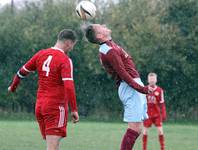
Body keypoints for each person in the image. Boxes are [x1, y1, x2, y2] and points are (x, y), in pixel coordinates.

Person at [84, 24, 154, 150]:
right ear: (100, 35)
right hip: (130, 87)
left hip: (132, 85)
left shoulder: (110, 45)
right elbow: (123, 73)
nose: (104, 25)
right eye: (100, 26)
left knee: (137, 128)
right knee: (134, 128)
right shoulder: (108, 50)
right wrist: (141, 89)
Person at [8, 29, 79, 150]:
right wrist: (74, 109)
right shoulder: (65, 60)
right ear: (68, 42)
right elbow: (69, 86)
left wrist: (13, 87)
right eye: (73, 45)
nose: (72, 48)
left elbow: (21, 72)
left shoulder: (41, 54)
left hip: (40, 106)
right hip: (55, 107)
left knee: (53, 146)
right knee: (52, 147)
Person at [142, 72, 167, 150]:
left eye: (153, 79)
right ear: (148, 80)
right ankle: (144, 148)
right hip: (147, 114)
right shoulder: (144, 90)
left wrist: (163, 114)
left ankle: (162, 148)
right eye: (150, 79)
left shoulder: (159, 90)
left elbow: (162, 103)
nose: (152, 81)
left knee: (160, 131)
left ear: (156, 80)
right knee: (145, 132)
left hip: (157, 115)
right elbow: (142, 103)